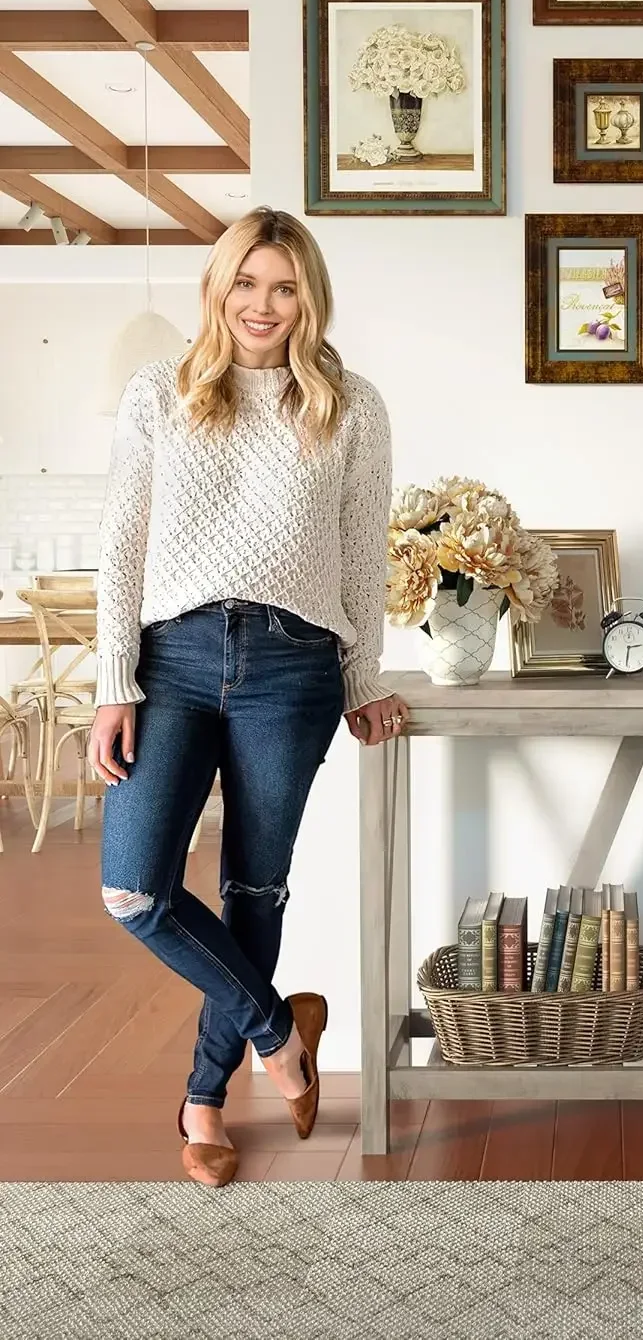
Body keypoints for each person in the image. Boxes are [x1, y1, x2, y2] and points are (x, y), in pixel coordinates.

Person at [87, 206, 408, 1188]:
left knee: (252, 889)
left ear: (308, 296)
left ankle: (203, 1101)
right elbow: (121, 544)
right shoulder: (160, 392)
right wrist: (112, 683)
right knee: (134, 890)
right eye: (247, 283)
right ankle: (279, 1029)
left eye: (285, 286)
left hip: (294, 668)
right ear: (218, 288)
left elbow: (362, 554)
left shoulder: (350, 404)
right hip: (171, 660)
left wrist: (363, 681)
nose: (265, 305)